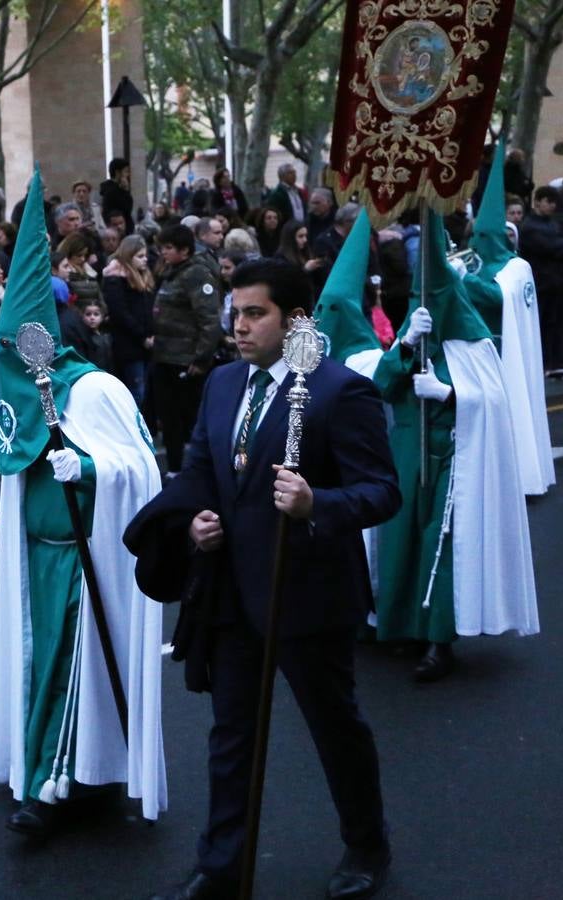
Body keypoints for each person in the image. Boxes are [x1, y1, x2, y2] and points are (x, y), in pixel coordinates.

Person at [135, 256, 399, 900]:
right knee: (231, 735)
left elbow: (382, 491)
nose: (240, 327)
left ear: (294, 319)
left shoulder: (338, 391)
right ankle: (222, 863)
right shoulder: (224, 384)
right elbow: (201, 469)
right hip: (231, 592)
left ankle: (366, 845)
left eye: (256, 314)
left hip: (307, 590)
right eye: (235, 313)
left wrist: (318, 505)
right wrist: (193, 522)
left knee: (334, 726)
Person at [0, 170, 165, 836]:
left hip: (81, 560)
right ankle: (48, 770)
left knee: (68, 671)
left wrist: (88, 465)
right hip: (37, 555)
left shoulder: (93, 391)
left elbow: (143, 467)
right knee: (42, 667)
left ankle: (50, 788)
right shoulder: (27, 395)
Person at [373, 213, 539, 682]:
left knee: (439, 545)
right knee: (401, 541)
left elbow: (491, 401)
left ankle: (438, 640)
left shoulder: (473, 343)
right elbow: (382, 385)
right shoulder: (411, 336)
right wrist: (405, 345)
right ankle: (404, 626)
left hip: (452, 455)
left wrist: (449, 393)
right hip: (407, 452)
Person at [463, 142, 555, 496]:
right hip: (483, 350)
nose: (480, 242)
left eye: (485, 237)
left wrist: (464, 278)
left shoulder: (517, 268)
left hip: (507, 351)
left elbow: (498, 297)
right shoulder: (476, 263)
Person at [152, 224, 224, 477]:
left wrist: (201, 358)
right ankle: (174, 467)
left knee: (191, 417)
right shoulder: (172, 272)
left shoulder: (196, 274)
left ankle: (199, 468)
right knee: (169, 416)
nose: (163, 253)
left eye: (169, 248)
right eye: (162, 248)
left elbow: (208, 319)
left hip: (185, 361)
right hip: (165, 356)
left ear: (184, 250)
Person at [518, 185, 563, 376]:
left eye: (553, 202)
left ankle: (553, 362)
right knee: (542, 325)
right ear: (537, 202)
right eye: (547, 201)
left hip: (555, 282)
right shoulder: (530, 225)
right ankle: (544, 363)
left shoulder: (552, 223)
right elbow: (554, 246)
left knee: (554, 324)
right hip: (541, 283)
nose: (550, 206)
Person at [102, 235, 155, 405]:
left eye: (145, 255)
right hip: (129, 344)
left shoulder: (143, 276)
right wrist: (142, 336)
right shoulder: (115, 279)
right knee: (136, 391)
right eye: (140, 256)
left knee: (143, 389)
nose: (145, 260)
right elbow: (120, 313)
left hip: (144, 343)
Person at [78, 298, 113, 373]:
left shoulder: (107, 334)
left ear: (102, 316)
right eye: (88, 314)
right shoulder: (82, 337)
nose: (92, 317)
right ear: (82, 317)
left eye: (96, 314)